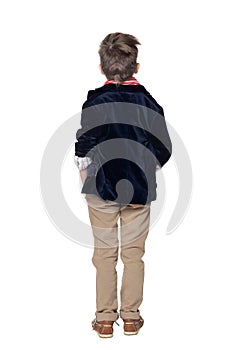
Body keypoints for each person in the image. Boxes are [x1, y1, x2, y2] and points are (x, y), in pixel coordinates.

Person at [74, 32, 172, 338]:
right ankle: (131, 317)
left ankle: (104, 319)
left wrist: (83, 171)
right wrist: (147, 167)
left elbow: (84, 143)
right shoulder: (149, 103)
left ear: (102, 68)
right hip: (139, 189)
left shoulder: (95, 100)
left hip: (101, 185)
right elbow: (163, 147)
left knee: (104, 255)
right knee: (133, 255)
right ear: (136, 67)